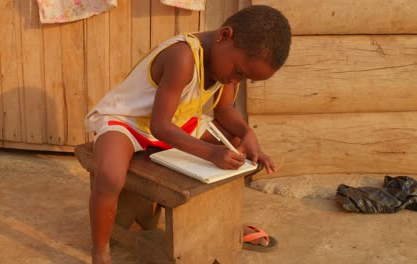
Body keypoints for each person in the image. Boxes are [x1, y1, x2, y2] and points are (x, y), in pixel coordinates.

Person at [84, 5, 291, 263]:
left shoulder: (226, 69)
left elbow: (224, 110)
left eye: (245, 78)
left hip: (180, 122)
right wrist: (212, 152)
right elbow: (160, 125)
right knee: (110, 175)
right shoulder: (182, 57)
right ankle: (100, 250)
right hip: (130, 123)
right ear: (224, 36)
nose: (236, 80)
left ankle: (222, 224)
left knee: (236, 146)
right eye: (238, 72)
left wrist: (248, 134)